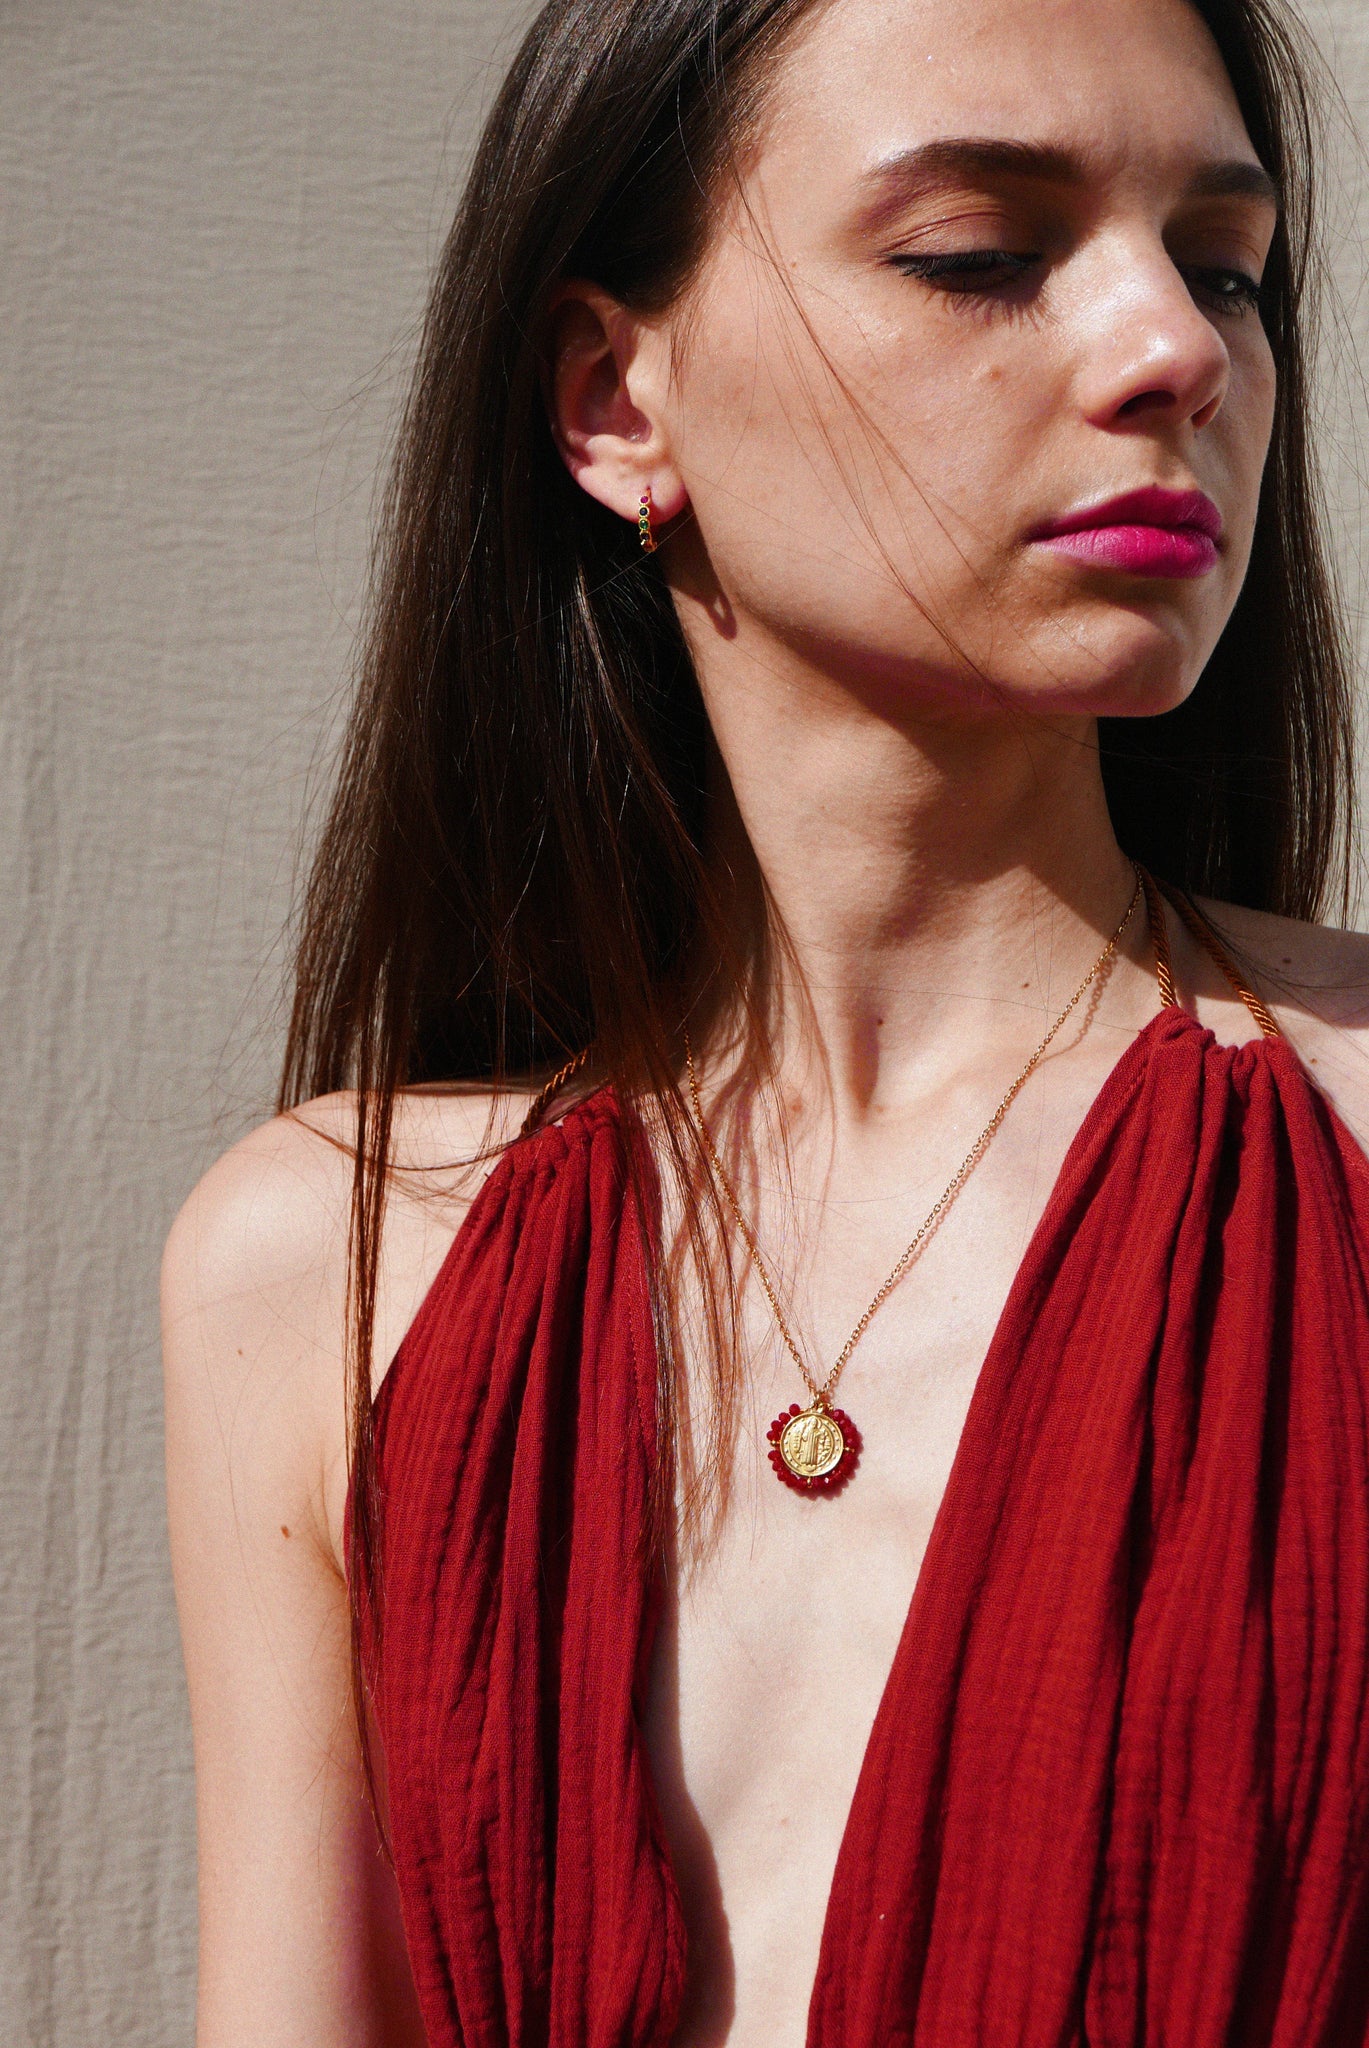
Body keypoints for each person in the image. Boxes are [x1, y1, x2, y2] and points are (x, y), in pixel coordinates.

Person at [161, 0, 1369, 2038]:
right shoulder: (330, 1269)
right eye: (981, 252)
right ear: (614, 401)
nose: (1174, 347)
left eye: (1225, 266)